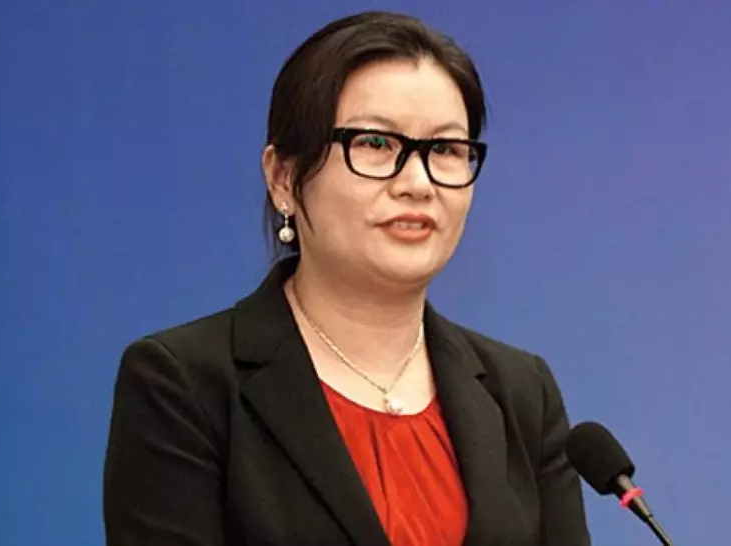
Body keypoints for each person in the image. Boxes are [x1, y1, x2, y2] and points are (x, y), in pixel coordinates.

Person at [103, 10, 591, 546]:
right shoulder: (185, 384)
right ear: (283, 177)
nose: (418, 183)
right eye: (376, 144)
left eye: (445, 150)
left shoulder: (521, 392)